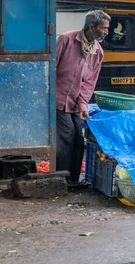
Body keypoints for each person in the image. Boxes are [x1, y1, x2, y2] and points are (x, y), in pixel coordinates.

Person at [55, 10, 110, 186]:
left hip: (75, 102)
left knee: (79, 137)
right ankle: (61, 179)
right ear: (91, 27)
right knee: (66, 135)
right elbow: (51, 68)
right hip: (58, 98)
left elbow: (89, 83)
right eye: (103, 28)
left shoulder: (97, 52)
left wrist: (83, 105)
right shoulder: (66, 39)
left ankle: (73, 179)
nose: (106, 32)